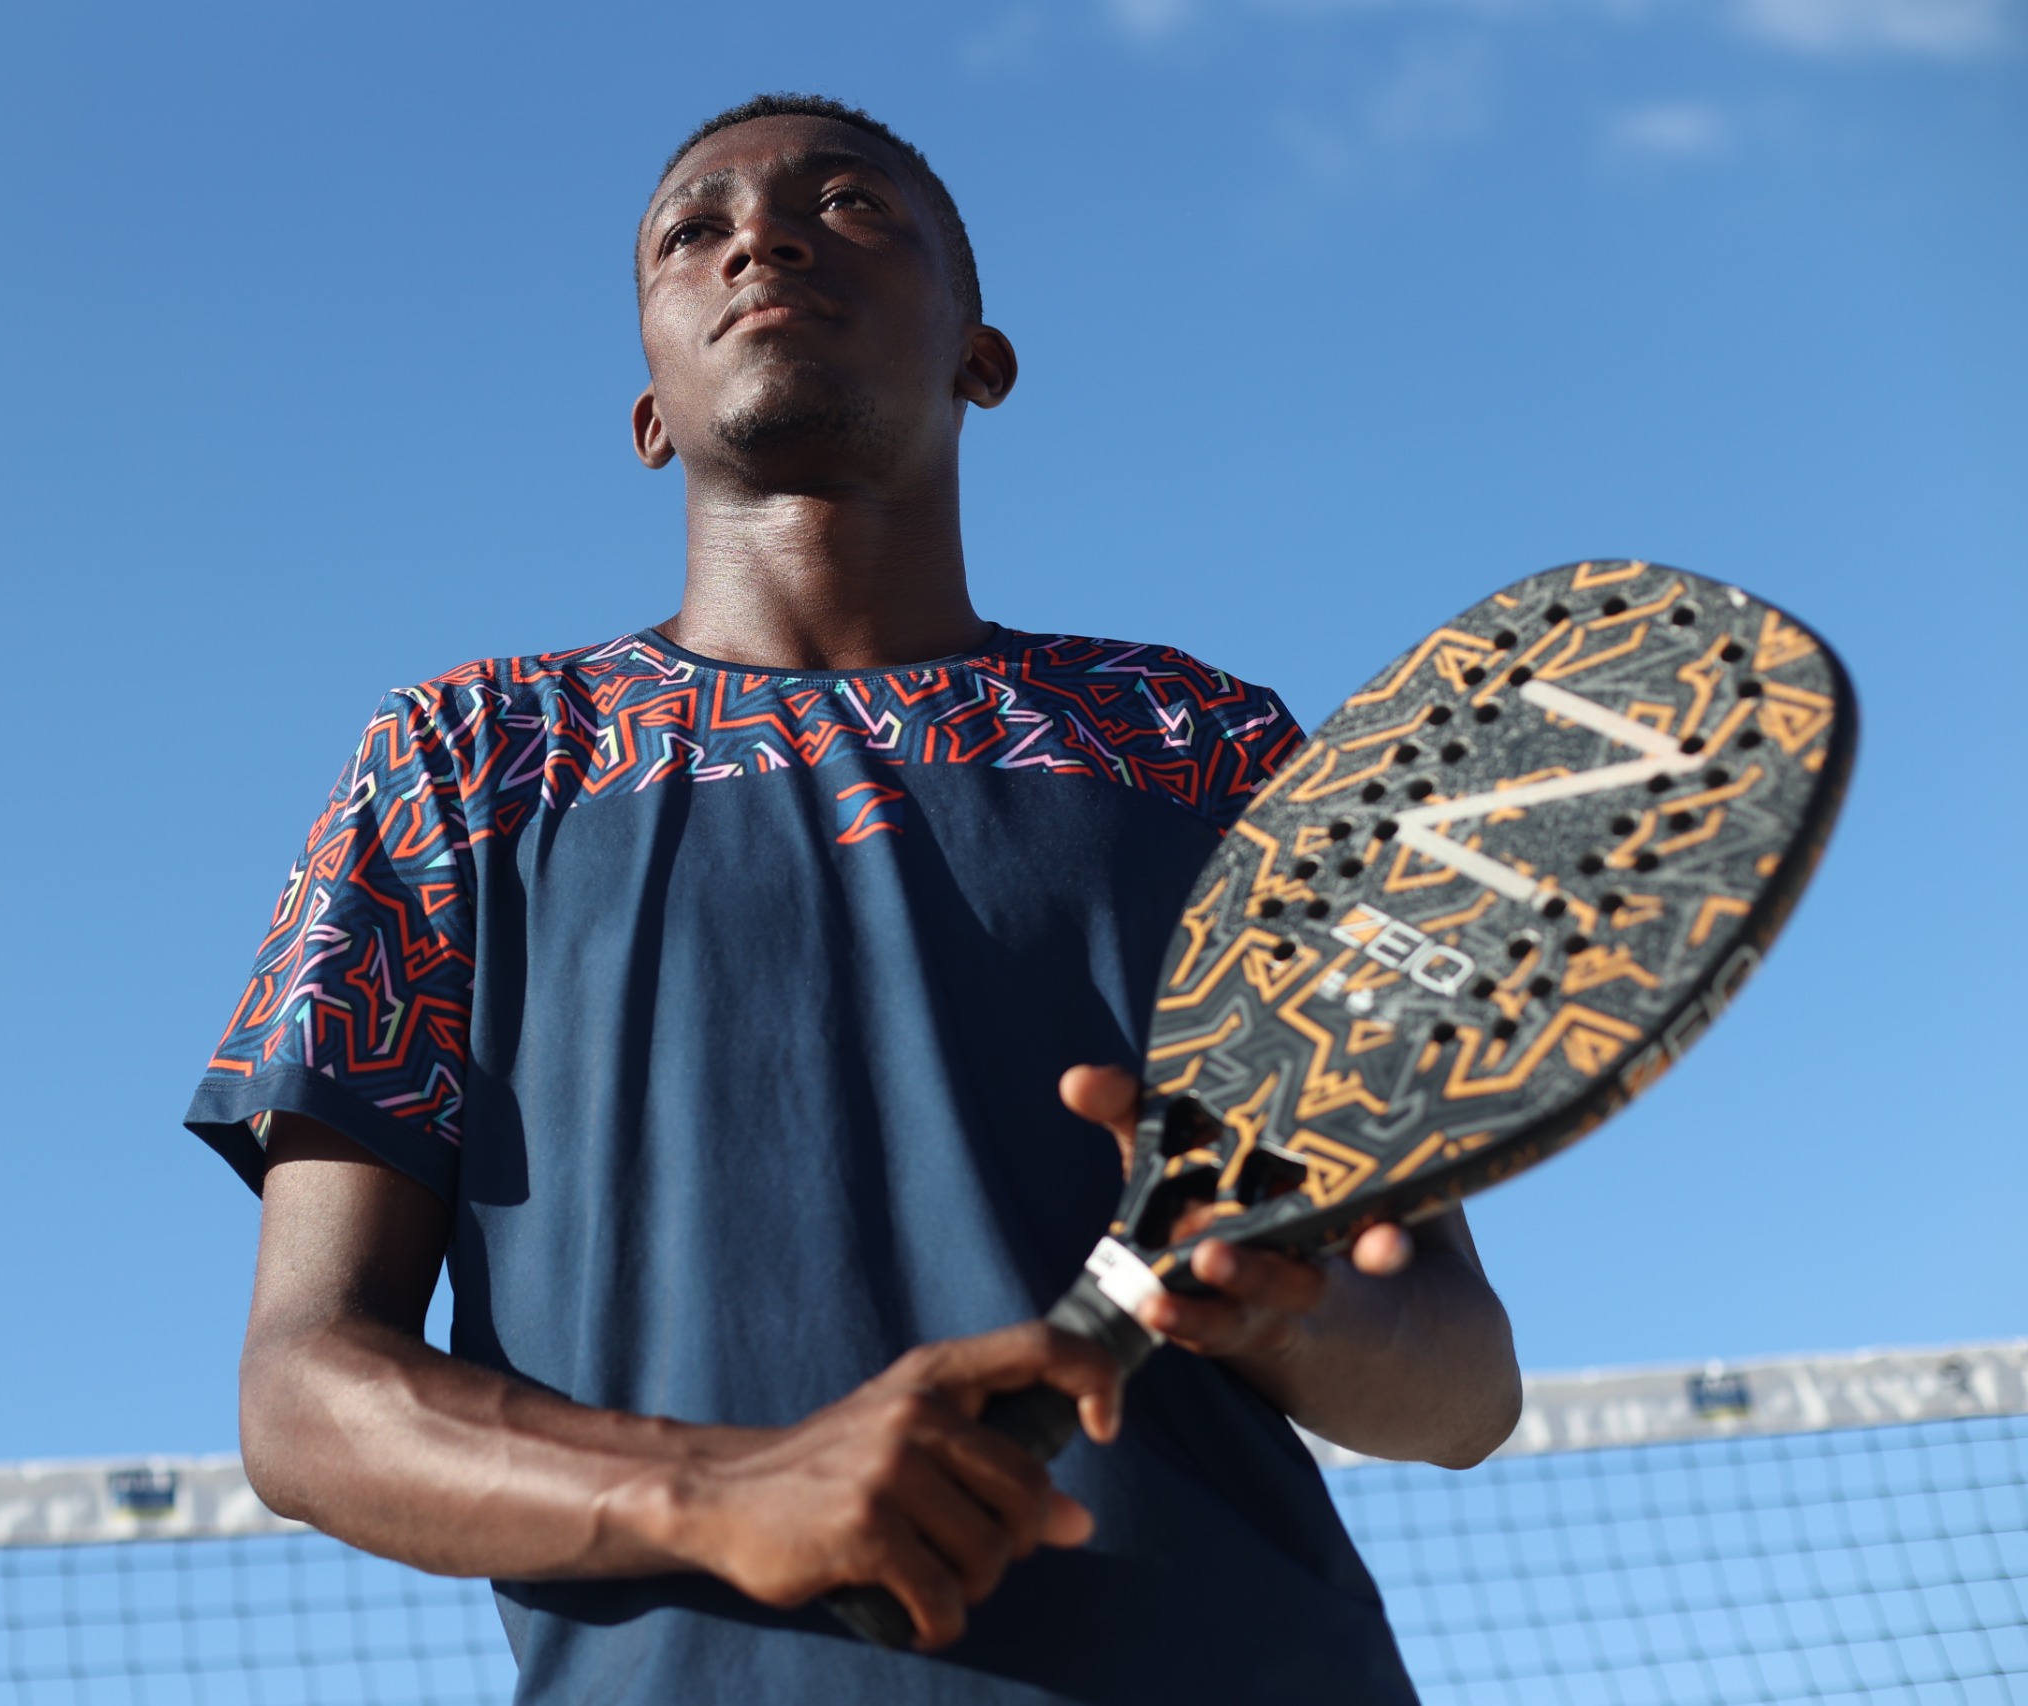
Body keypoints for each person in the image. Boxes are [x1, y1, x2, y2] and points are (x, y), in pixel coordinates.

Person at [184, 93, 1522, 1705]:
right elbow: (305, 1397)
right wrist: (724, 1490)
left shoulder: (1208, 746)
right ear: (648, 415)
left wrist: (1274, 1311)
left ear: (983, 356)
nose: (762, 233)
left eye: (854, 206)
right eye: (696, 226)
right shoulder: (462, 763)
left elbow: (1461, 1382)